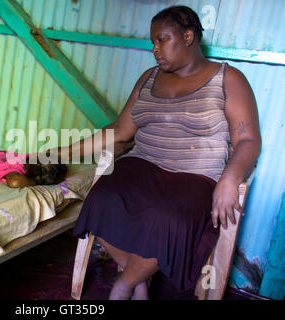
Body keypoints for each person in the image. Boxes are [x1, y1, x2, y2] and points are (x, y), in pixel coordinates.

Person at [54, 5, 261, 299]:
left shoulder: (228, 79)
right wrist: (62, 152)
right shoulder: (149, 78)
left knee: (166, 218)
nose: (155, 48)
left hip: (194, 176)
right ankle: (138, 280)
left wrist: (229, 178)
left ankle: (124, 285)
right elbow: (121, 131)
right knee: (101, 198)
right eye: (153, 41)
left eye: (162, 39)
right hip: (141, 165)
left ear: (188, 36)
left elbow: (248, 140)